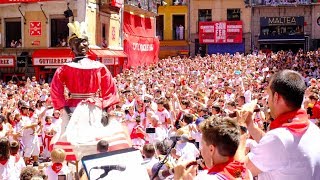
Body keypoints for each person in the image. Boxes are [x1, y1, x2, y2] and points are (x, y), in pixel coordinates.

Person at [50, 21, 131, 157]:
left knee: (99, 142)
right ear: (71, 47)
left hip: (96, 108)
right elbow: (56, 90)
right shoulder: (64, 68)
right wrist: (64, 109)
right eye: (78, 42)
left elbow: (110, 89)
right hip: (72, 110)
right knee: (71, 142)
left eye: (85, 42)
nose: (82, 45)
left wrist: (106, 109)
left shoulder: (99, 66)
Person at [239, 70, 320, 179]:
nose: (268, 100)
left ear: (276, 97)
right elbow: (272, 144)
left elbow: (238, 171)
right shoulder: (314, 129)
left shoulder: (278, 139)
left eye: (269, 95)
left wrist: (241, 127)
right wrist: (250, 124)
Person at [174, 116, 247, 179]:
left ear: (211, 149)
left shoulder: (206, 178)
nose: (201, 151)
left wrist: (178, 176)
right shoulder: (243, 170)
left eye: (202, 146)